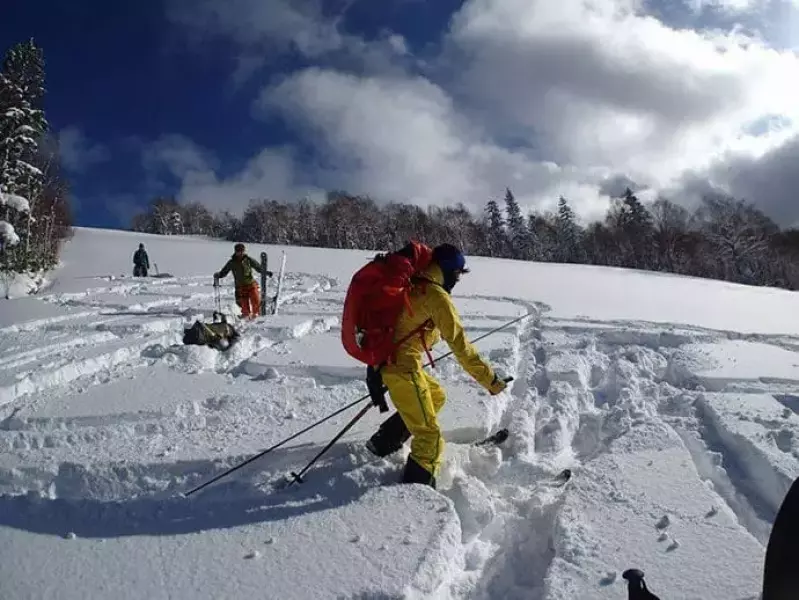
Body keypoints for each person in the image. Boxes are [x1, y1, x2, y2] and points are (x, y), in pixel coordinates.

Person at [365, 243, 508, 488]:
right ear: (448, 270)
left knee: (435, 395)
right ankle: (416, 493)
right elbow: (461, 347)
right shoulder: (436, 296)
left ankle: (382, 443)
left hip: (391, 362)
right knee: (430, 438)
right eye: (457, 274)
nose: (457, 280)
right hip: (403, 368)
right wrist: (490, 381)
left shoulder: (413, 284)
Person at [213, 243, 272, 319]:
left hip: (251, 284)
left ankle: (256, 317)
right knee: (244, 306)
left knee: (256, 301)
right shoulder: (231, 262)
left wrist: (266, 272)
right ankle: (246, 318)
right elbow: (224, 271)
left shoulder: (248, 260)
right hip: (241, 287)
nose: (241, 253)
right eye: (239, 251)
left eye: (242, 251)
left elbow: (259, 268)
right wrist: (219, 275)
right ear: (235, 252)